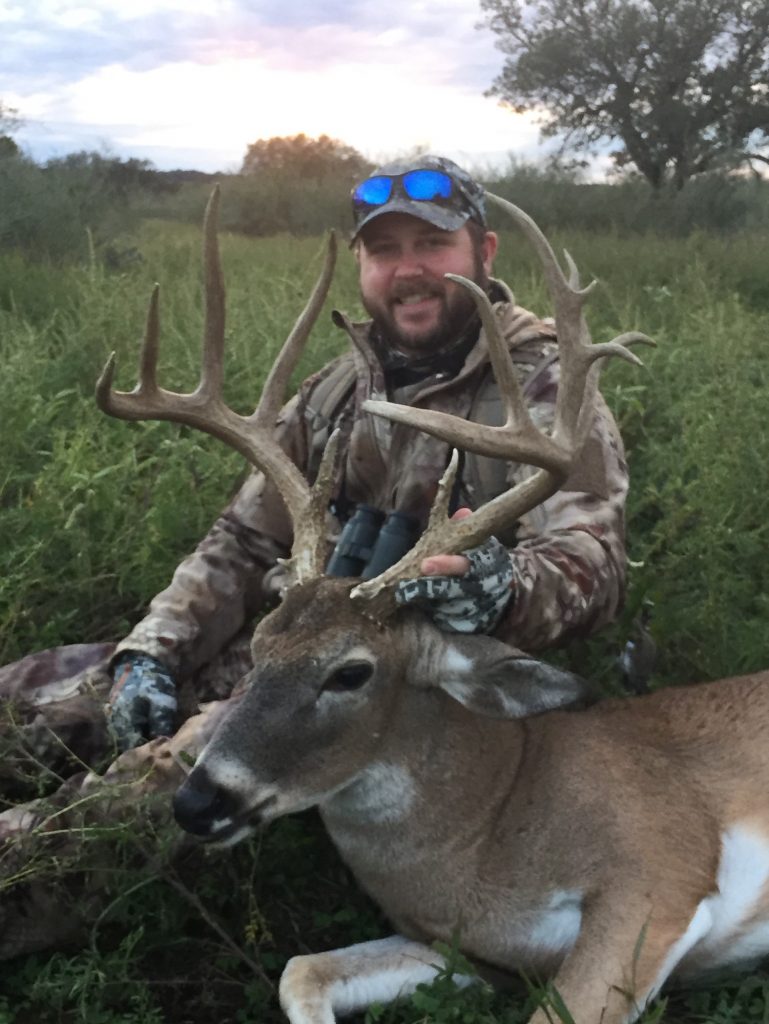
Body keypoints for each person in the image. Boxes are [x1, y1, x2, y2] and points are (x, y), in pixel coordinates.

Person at [0, 155, 627, 958]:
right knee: (38, 699)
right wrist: (149, 655)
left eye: (430, 246)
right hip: (277, 651)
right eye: (383, 250)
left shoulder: (544, 392)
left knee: (133, 805)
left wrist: (498, 590)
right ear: (363, 267)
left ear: (483, 252)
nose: (407, 271)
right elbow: (240, 540)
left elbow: (591, 562)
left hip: (378, 691)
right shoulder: (335, 389)